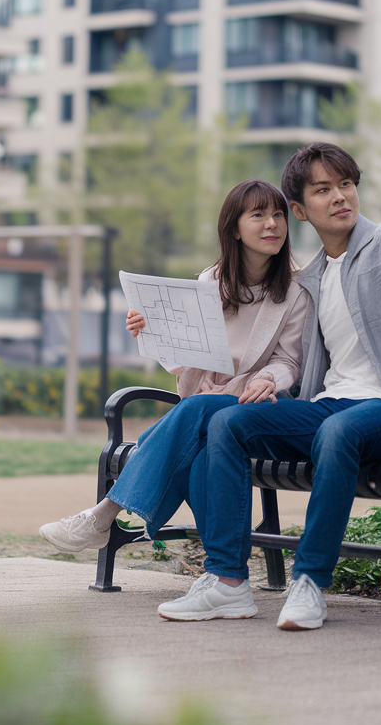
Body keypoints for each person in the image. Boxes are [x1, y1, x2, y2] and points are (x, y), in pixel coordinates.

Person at [156, 142, 381, 627]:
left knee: (337, 434)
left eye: (346, 185)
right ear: (300, 209)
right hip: (331, 402)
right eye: (323, 190)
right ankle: (228, 581)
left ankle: (309, 583)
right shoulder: (310, 278)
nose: (340, 197)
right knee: (228, 423)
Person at [39, 179, 311, 593]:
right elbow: (186, 356)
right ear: (234, 228)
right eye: (258, 215)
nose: (272, 224)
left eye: (277, 215)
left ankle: (104, 516)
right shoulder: (211, 281)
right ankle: (227, 576)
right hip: (208, 405)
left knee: (196, 412)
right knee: (200, 440)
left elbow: (290, 360)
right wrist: (150, 328)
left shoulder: (296, 289)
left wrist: (268, 377)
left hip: (263, 406)